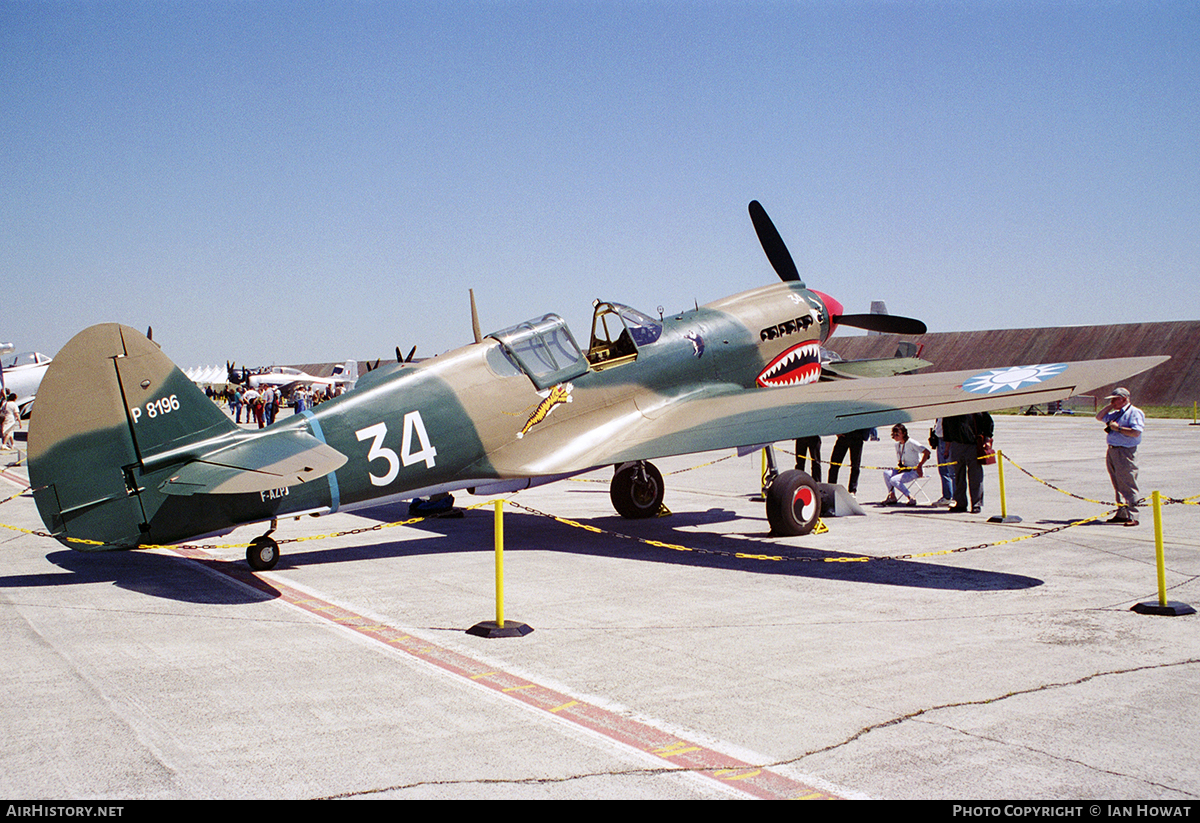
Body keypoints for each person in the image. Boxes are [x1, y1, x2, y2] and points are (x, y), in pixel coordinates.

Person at [1095, 387, 1144, 526]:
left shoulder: (1134, 413)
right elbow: (1099, 417)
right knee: (1117, 483)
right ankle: (1121, 513)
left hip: (1126, 452)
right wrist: (1111, 405)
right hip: (1113, 450)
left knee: (1128, 483)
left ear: (1124, 398)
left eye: (1115, 399)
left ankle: (1134, 515)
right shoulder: (1116, 413)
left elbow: (1136, 432)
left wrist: (1118, 429)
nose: (1112, 401)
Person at [943, 412, 993, 513]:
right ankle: (960, 503)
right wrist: (947, 448)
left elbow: (988, 423)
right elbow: (946, 431)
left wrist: (987, 440)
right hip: (956, 446)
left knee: (975, 477)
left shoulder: (976, 409)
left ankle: (976, 504)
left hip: (973, 445)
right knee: (958, 477)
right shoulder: (949, 412)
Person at [882, 424, 930, 506]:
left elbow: (927, 452)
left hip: (914, 470)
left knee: (894, 480)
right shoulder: (897, 445)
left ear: (904, 433)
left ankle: (910, 497)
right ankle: (892, 496)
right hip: (904, 469)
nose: (895, 436)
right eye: (893, 435)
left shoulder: (912, 443)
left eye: (897, 434)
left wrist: (920, 465)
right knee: (886, 473)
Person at [828, 428, 870, 495]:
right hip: (844, 436)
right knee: (834, 464)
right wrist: (837, 431)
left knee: (855, 466)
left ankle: (852, 490)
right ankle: (831, 487)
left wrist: (864, 435)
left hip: (857, 437)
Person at [930, 418, 954, 506]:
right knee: (943, 470)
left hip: (948, 439)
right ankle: (947, 496)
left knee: (952, 471)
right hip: (939, 438)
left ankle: (955, 498)